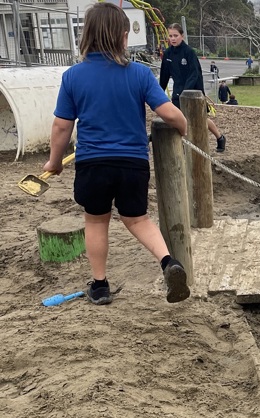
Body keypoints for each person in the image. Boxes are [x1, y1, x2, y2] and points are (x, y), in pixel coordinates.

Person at [43, 2, 190, 306]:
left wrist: (54, 162)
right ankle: (168, 263)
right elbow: (167, 111)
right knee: (138, 220)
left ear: (87, 36)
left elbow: (61, 127)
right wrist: (184, 125)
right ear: (123, 37)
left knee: (96, 221)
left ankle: (99, 286)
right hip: (132, 163)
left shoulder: (73, 77)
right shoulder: (138, 73)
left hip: (92, 163)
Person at [160, 23, 226, 153]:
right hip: (177, 92)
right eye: (170, 36)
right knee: (179, 118)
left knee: (200, 119)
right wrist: (158, 93)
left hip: (193, 91)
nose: (173, 38)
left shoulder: (189, 52)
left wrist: (186, 92)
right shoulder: (167, 54)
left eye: (176, 35)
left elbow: (194, 73)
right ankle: (183, 146)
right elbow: (164, 75)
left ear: (182, 36)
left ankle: (220, 137)